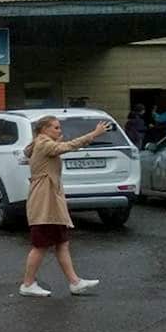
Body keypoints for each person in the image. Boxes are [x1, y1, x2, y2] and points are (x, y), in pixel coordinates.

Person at [19, 115, 112, 298]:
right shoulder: (44, 143)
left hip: (51, 200)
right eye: (55, 127)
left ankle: (75, 282)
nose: (59, 130)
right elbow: (68, 146)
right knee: (41, 245)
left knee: (62, 242)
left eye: (58, 127)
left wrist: (59, 140)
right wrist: (94, 133)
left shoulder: (42, 142)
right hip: (44, 202)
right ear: (43, 129)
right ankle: (28, 284)